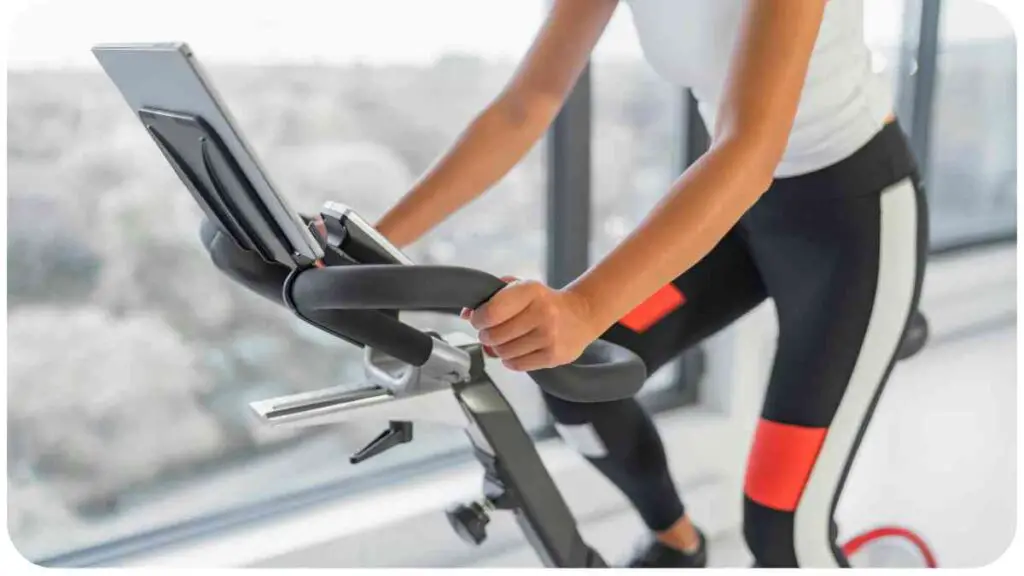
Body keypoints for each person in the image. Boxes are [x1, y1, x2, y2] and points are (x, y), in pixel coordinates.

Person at [373, 0, 928, 568]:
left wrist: (584, 308)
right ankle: (677, 544)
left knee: (782, 532)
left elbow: (749, 147)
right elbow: (525, 105)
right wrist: (371, 246)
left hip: (851, 223)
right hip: (740, 219)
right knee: (579, 386)